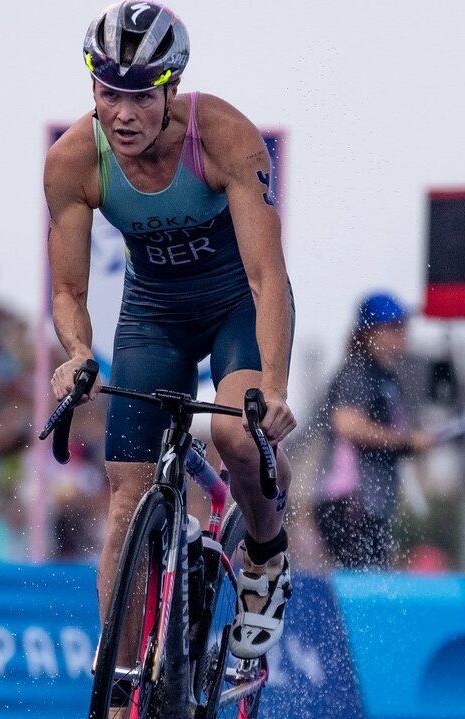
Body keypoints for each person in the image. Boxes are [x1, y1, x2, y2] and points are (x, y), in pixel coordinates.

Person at [44, 0, 296, 674]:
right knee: (127, 492)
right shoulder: (74, 160)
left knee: (237, 435)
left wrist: (272, 387)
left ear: (171, 88)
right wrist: (75, 354)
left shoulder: (222, 137)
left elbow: (269, 277)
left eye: (139, 96)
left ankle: (266, 557)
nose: (122, 113)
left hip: (234, 305)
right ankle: (125, 684)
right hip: (153, 315)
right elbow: (67, 292)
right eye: (107, 93)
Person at [314, 292, 435, 569]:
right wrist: (407, 441)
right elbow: (347, 424)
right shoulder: (359, 370)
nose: (403, 333)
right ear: (370, 332)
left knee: (373, 578)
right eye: (394, 327)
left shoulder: (386, 376)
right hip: (348, 502)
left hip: (369, 504)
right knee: (364, 582)